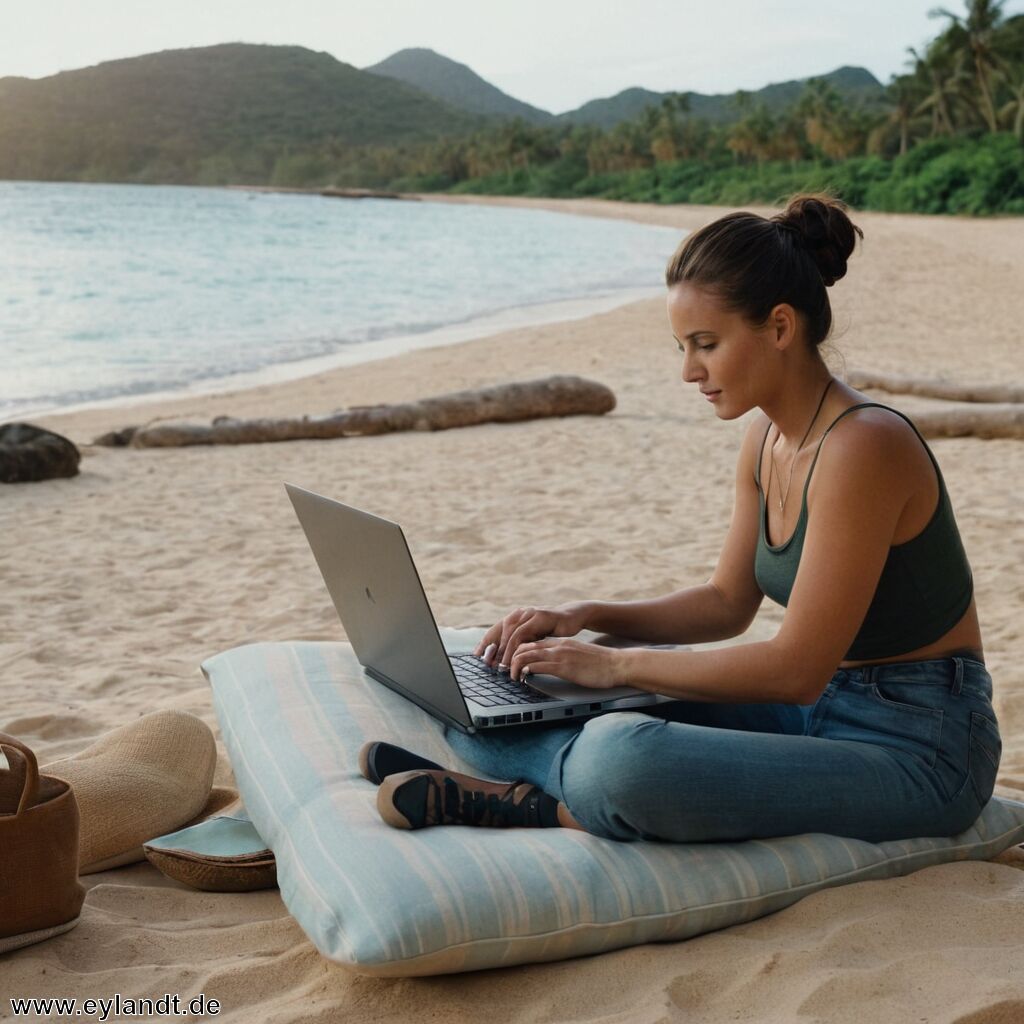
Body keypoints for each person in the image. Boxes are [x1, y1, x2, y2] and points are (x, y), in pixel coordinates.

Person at [360, 192, 1001, 844]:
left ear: (780, 328)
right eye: (682, 347)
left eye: (706, 344)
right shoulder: (765, 438)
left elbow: (794, 668)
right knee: (509, 683)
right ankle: (549, 778)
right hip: (808, 710)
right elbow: (726, 603)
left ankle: (540, 800)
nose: (690, 371)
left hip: (921, 747)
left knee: (625, 757)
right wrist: (588, 616)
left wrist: (617, 668)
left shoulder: (865, 445)